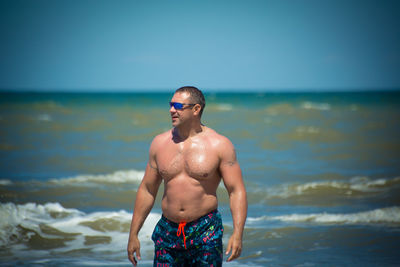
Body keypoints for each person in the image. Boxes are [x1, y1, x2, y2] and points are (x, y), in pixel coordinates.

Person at [127, 86, 247, 266]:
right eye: (170, 104)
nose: (171, 110)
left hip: (206, 231)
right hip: (167, 232)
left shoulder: (220, 145)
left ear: (196, 109)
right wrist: (133, 234)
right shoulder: (159, 143)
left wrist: (238, 234)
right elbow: (147, 189)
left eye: (177, 105)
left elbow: (236, 191)